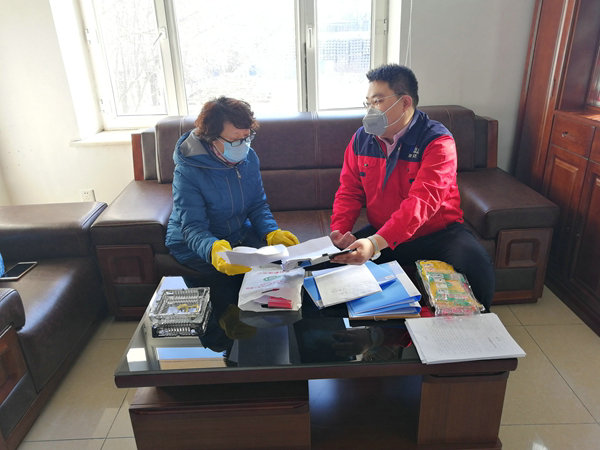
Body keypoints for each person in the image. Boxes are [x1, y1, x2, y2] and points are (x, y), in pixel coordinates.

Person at [329, 64, 494, 311]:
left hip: (438, 235)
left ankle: (476, 328)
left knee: (476, 265)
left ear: (405, 102)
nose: (370, 110)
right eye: (368, 103)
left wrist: (374, 244)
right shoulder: (361, 139)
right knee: (332, 266)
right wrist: (340, 231)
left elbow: (422, 202)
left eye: (377, 101)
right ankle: (371, 331)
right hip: (383, 231)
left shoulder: (437, 141)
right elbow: (349, 190)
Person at [166, 96, 299, 287]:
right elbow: (193, 227)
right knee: (229, 292)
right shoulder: (188, 171)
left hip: (238, 235)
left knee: (284, 273)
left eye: (246, 137)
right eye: (235, 139)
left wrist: (270, 231)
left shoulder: (249, 158)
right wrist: (213, 250)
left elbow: (257, 204)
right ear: (211, 137)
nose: (243, 145)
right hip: (196, 244)